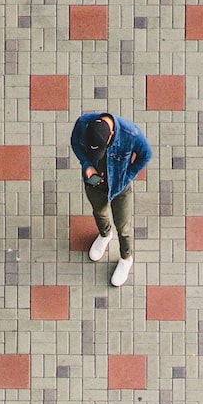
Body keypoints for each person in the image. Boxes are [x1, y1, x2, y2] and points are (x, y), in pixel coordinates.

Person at [70, 112, 152, 287]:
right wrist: (87, 164)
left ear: (112, 135)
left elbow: (146, 154)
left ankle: (126, 258)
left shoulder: (131, 134)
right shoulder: (83, 124)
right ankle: (105, 234)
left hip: (119, 186)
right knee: (98, 211)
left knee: (123, 226)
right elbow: (76, 143)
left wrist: (127, 176)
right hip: (94, 181)